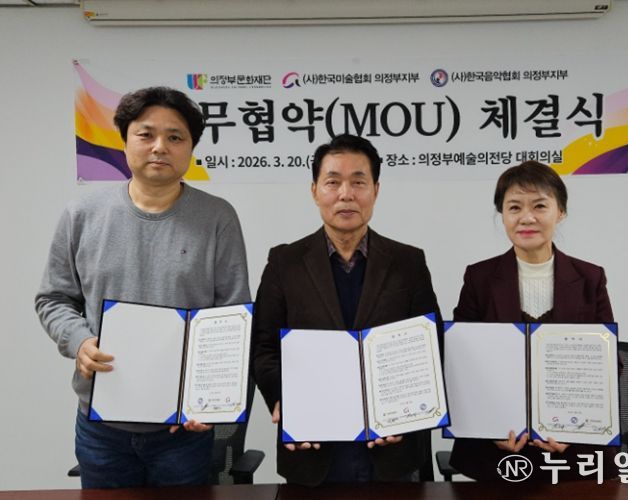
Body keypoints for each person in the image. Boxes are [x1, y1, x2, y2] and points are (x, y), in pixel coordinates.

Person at [35, 87, 250, 489]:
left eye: (175, 137)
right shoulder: (82, 215)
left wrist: (210, 397)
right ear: (125, 140)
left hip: (182, 429)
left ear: (191, 148)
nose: (159, 147)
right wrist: (80, 341)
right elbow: (54, 299)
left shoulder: (218, 217)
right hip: (102, 424)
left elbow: (233, 315)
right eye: (146, 134)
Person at [253, 134, 441, 486]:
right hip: (314, 447)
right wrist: (286, 401)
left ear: (376, 190)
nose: (346, 194)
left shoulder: (408, 262)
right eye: (333, 182)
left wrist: (406, 415)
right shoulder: (284, 262)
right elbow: (264, 347)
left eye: (358, 182)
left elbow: (430, 347)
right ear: (314, 191)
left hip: (390, 448)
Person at [449, 160, 618, 481]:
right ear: (502, 214)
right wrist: (490, 428)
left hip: (572, 447)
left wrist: (576, 428)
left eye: (540, 205)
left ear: (560, 211)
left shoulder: (589, 277)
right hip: (498, 447)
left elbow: (608, 364)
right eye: (514, 207)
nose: (526, 217)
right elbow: (461, 362)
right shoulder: (479, 278)